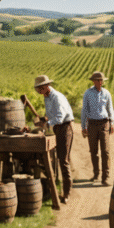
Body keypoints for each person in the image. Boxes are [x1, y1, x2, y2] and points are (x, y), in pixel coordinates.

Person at [34, 75, 76, 203]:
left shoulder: (56, 97)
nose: (38, 91)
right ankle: (56, 188)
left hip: (65, 127)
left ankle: (66, 193)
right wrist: (45, 119)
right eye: (37, 89)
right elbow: (51, 115)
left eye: (40, 88)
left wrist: (47, 124)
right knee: (57, 159)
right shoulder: (46, 97)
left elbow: (60, 117)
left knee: (63, 160)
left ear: (46, 86)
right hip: (57, 128)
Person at [81, 71, 114, 185]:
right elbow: (84, 110)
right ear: (94, 81)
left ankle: (105, 177)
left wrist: (112, 123)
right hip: (92, 124)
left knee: (105, 151)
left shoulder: (106, 93)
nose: (100, 82)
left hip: (104, 123)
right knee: (93, 151)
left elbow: (110, 109)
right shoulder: (88, 93)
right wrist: (83, 126)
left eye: (102, 80)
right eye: (98, 80)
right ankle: (96, 173)